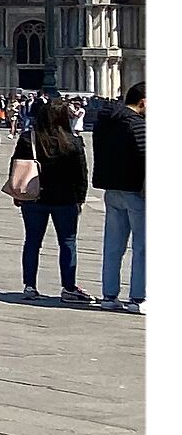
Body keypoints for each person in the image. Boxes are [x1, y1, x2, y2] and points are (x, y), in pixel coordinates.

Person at [9, 92, 90, 304]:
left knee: (32, 242)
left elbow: (17, 165)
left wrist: (18, 193)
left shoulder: (28, 138)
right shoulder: (73, 141)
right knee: (68, 242)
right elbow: (81, 174)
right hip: (65, 199)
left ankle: (29, 286)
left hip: (34, 197)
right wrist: (80, 199)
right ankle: (69, 287)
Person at [92, 82, 145, 313]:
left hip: (112, 190)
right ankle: (139, 298)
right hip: (137, 192)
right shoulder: (137, 124)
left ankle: (109, 295)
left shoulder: (104, 123)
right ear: (143, 101)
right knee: (144, 247)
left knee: (113, 247)